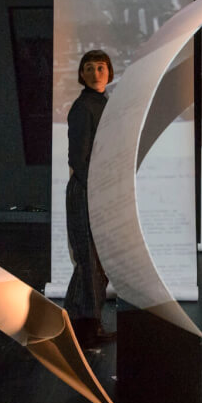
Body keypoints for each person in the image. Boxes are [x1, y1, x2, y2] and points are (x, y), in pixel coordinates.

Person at [65, 49, 113, 345]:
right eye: (90, 68)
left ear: (109, 71)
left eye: (101, 67)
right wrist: (96, 191)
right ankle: (86, 330)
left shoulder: (102, 103)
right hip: (86, 192)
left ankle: (73, 324)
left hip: (98, 191)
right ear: (81, 75)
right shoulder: (83, 108)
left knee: (95, 263)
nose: (96, 73)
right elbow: (78, 159)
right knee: (90, 263)